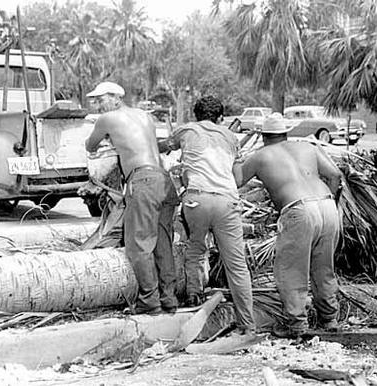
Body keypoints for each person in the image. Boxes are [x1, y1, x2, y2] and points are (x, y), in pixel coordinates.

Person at [234, 112, 343, 338]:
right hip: (327, 205)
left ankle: (296, 325)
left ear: (264, 136)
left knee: (291, 270)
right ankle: (329, 319)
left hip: (299, 209)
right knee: (323, 267)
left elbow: (235, 181)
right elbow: (334, 174)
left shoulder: (260, 156)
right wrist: (330, 201)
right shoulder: (307, 147)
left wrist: (233, 155)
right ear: (286, 133)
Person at [159, 96, 256, 333]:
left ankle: (193, 295)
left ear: (196, 115)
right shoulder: (231, 137)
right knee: (236, 265)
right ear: (221, 118)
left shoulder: (187, 130)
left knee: (195, 248)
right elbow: (239, 179)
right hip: (226, 202)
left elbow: (161, 147)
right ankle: (248, 325)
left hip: (196, 200)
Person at [85, 81, 179, 315]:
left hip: (143, 182)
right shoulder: (144, 116)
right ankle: (169, 299)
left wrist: (102, 142)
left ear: (117, 98)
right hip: (163, 180)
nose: (99, 104)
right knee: (162, 243)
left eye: (102, 99)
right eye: (96, 100)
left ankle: (149, 300)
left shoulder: (107, 119)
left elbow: (90, 145)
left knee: (138, 245)